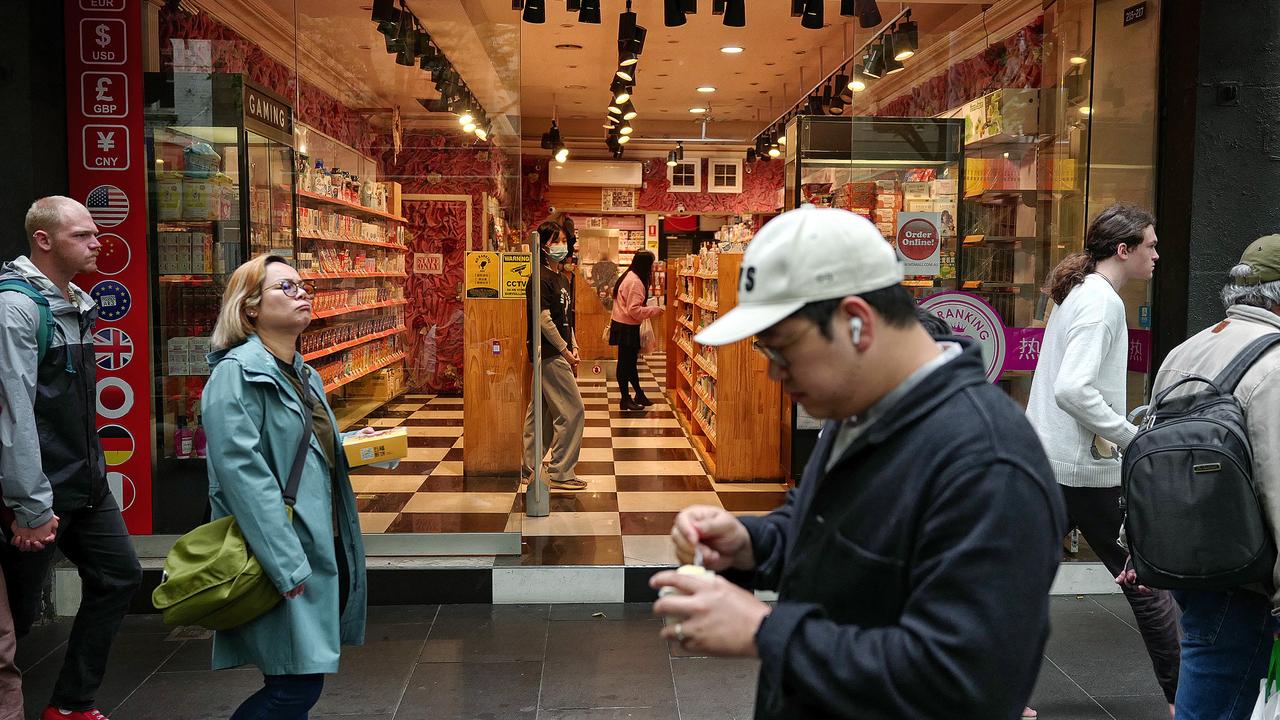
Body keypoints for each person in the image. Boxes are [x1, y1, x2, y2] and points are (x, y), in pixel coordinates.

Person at [650, 205, 1066, 719]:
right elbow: (827, 527)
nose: (776, 375)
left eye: (784, 350)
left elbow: (966, 682)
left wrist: (766, 631)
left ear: (855, 324)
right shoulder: (858, 408)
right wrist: (752, 544)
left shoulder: (988, 464)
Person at [1024, 202, 1179, 713]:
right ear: (1124, 249)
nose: (1157, 254)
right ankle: (1188, 701)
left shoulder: (1079, 294)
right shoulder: (1102, 302)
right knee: (1146, 584)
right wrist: (1128, 435)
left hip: (1049, 463)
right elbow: (1073, 388)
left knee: (1018, 585)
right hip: (1085, 472)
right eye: (1151, 245)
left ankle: (995, 693)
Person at [202, 255, 370, 718]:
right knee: (292, 687)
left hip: (312, 538)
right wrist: (286, 564)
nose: (303, 294)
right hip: (278, 548)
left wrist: (351, 442)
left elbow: (299, 445)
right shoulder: (237, 375)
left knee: (297, 680)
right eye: (286, 288)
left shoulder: (302, 372)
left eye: (303, 286)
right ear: (250, 307)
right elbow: (241, 477)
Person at [1120, 234, 1280, 719]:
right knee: (1216, 700)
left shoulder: (1189, 349)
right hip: (1247, 575)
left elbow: (1153, 449)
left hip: (1187, 553)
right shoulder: (1273, 365)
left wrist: (1136, 543)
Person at [0, 196, 142, 720]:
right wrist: (30, 505)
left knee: (120, 575)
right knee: (15, 617)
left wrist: (95, 474)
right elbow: (15, 413)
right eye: (81, 235)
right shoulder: (15, 307)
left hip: (85, 481)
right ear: (43, 240)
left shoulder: (76, 300)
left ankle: (71, 703)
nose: (97, 242)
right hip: (37, 490)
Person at [522, 221, 586, 490]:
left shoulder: (561, 278)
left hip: (559, 350)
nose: (562, 245)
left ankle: (530, 467)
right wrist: (564, 351)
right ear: (544, 245)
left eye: (564, 240)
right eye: (556, 240)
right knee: (573, 411)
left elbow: (564, 319)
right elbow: (544, 320)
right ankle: (561, 471)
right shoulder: (538, 278)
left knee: (542, 414)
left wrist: (574, 345)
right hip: (548, 352)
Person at [609, 250, 664, 410]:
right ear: (645, 265)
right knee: (626, 364)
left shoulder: (630, 276)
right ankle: (625, 399)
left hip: (622, 324)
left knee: (629, 363)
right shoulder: (636, 282)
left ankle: (638, 394)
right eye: (651, 264)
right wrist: (655, 310)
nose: (653, 268)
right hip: (626, 327)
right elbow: (634, 310)